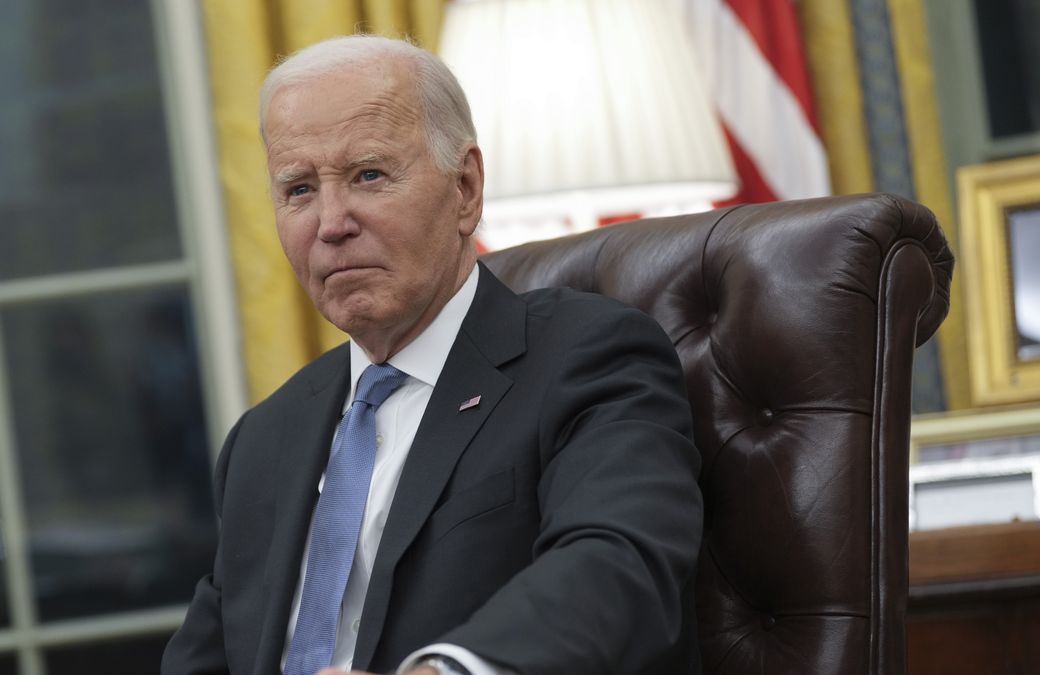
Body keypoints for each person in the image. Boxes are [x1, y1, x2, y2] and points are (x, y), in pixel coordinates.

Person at [162, 35, 702, 675]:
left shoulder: (587, 358)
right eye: (299, 189)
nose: (330, 224)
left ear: (465, 189)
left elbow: (615, 563)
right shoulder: (263, 439)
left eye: (368, 175)